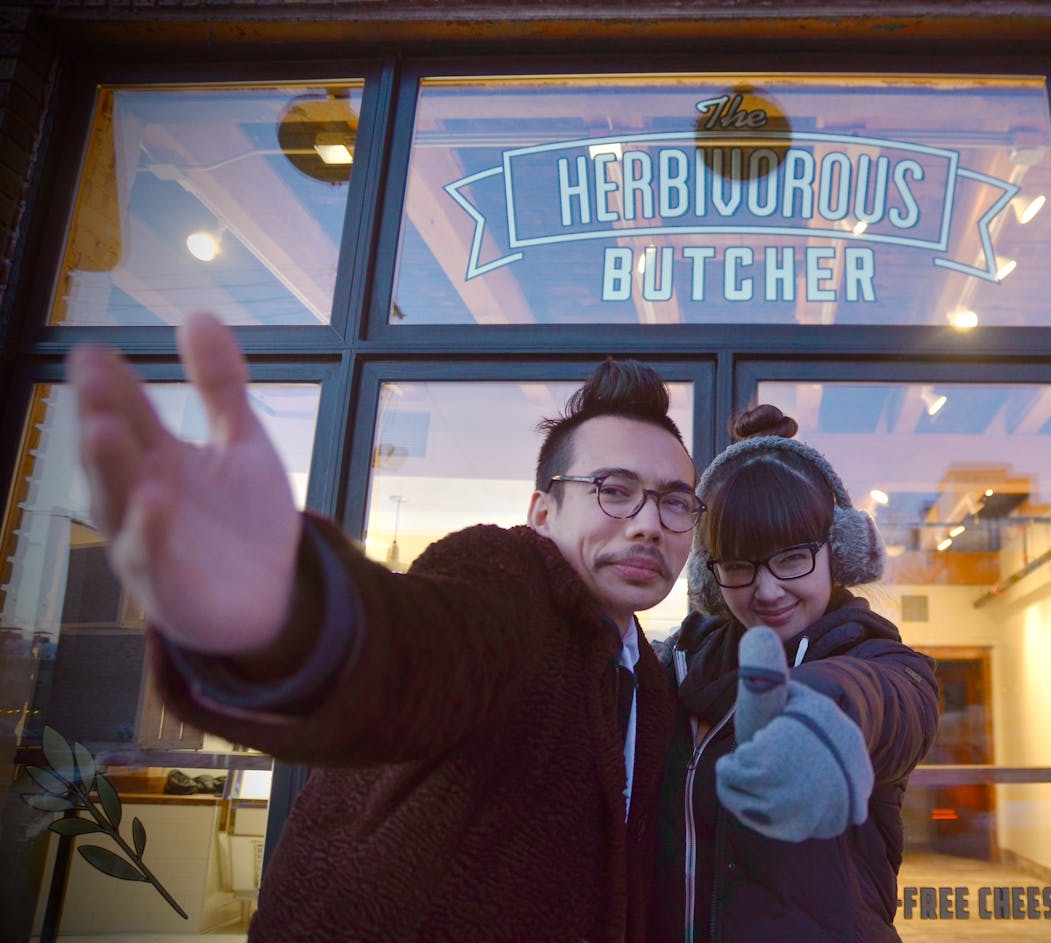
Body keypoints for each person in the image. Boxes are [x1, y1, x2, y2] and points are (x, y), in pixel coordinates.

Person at [65, 312, 698, 942]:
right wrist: (288, 607)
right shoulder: (508, 583)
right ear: (541, 511)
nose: (648, 524)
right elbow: (410, 654)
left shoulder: (650, 680)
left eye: (675, 502)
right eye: (614, 489)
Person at [649, 404, 939, 943]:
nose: (766, 590)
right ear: (711, 578)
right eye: (739, 566)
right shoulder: (676, 669)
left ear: (839, 553)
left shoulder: (883, 665)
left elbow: (886, 704)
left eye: (791, 558)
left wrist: (817, 721)